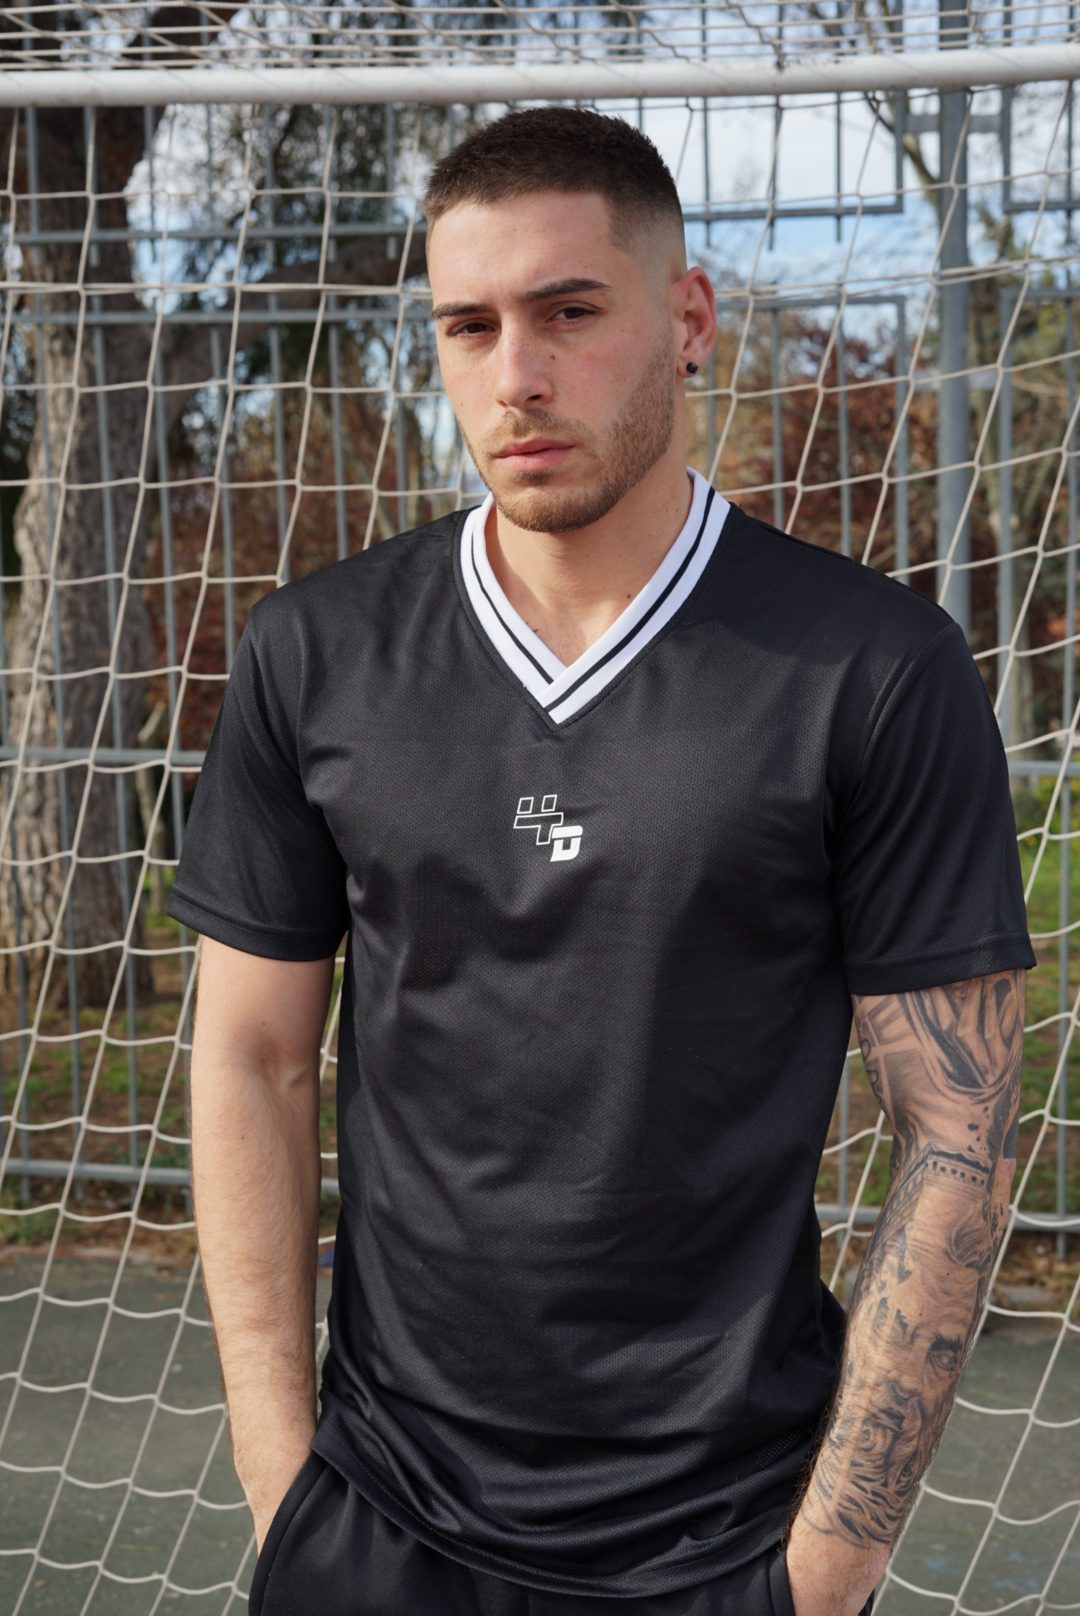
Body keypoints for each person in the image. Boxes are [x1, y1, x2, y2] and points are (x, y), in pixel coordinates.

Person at [166, 106, 1037, 1616]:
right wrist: (280, 1477)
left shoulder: (875, 669)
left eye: (570, 312)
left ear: (687, 320)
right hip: (374, 1518)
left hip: (732, 1540)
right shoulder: (315, 651)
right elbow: (251, 1056)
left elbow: (959, 1128)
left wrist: (827, 1567)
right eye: (470, 325)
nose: (516, 374)